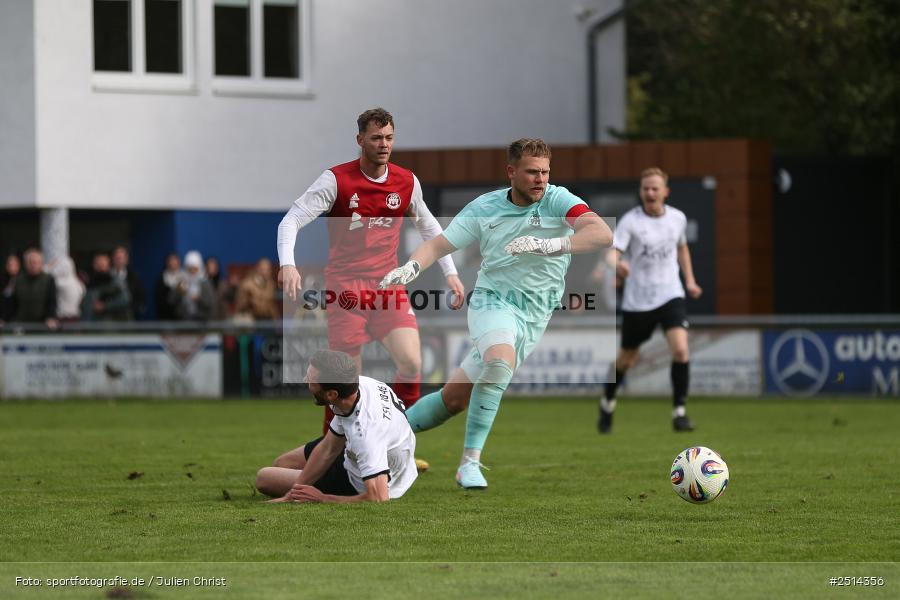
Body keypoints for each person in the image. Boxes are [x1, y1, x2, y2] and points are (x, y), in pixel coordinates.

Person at [379, 138, 612, 489]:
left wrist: (550, 244)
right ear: (511, 172)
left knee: (453, 399)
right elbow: (438, 245)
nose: (540, 179)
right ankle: (469, 463)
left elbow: (602, 234)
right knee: (500, 361)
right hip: (493, 301)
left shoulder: (558, 200)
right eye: (532, 172)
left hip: (536, 314)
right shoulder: (484, 208)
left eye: (545, 172)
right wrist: (411, 268)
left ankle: (379, 439)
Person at [276, 107, 465, 438]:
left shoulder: (406, 181)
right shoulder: (336, 180)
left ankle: (398, 440)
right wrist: (287, 264)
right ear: (360, 139)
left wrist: (450, 271)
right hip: (345, 289)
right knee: (344, 382)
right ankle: (334, 451)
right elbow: (290, 220)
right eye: (376, 138)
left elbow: (429, 227)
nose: (384, 144)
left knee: (412, 362)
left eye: (389, 138)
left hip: (388, 285)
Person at [598, 167, 702, 434]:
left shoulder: (677, 218)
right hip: (638, 302)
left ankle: (679, 413)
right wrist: (617, 265)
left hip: (671, 295)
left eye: (655, 188)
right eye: (646, 188)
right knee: (626, 360)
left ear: (665, 191)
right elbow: (612, 254)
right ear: (641, 191)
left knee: (680, 350)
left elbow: (682, 248)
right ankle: (608, 401)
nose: (650, 193)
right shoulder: (631, 221)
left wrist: (690, 281)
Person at [256, 349, 418, 503]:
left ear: (331, 394)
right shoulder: (357, 386)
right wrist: (295, 491)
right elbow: (329, 448)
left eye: (311, 380)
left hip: (356, 480)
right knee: (282, 464)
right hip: (357, 451)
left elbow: (379, 497)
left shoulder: (365, 433)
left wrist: (322, 498)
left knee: (264, 478)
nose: (305, 381)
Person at [12, 248, 58, 329]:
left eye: (36, 262)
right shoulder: (18, 280)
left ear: (41, 263)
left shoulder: (49, 280)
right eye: (31, 262)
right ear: (25, 264)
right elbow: (12, 301)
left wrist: (51, 317)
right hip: (22, 324)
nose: (33, 265)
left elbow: (52, 301)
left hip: (42, 324)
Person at [83, 252, 131, 321]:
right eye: (97, 265)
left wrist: (105, 306)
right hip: (91, 323)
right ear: (94, 265)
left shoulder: (115, 281)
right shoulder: (90, 282)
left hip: (109, 323)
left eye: (102, 265)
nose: (100, 268)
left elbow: (125, 299)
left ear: (108, 266)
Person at [171, 250, 215, 321]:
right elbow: (171, 300)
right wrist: (178, 291)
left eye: (194, 268)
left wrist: (199, 298)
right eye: (189, 268)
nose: (192, 271)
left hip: (201, 321)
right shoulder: (181, 280)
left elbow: (211, 303)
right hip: (183, 320)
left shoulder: (205, 282)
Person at [111, 246, 146, 319]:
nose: (119, 260)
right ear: (113, 259)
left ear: (126, 259)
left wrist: (134, 307)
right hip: (110, 314)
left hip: (128, 314)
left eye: (121, 258)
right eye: (117, 258)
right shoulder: (107, 275)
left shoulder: (133, 276)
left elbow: (140, 295)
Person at [48, 256, 85, 322]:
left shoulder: (60, 282)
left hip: (62, 317)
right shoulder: (79, 283)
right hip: (76, 316)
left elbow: (47, 275)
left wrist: (48, 267)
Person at [155, 252, 184, 320]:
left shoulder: (184, 277)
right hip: (166, 318)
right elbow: (161, 301)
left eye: (175, 261)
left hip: (183, 318)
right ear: (167, 263)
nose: (173, 263)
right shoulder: (161, 280)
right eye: (171, 261)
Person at [0, 254, 20, 325]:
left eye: (14, 264)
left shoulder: (22, 280)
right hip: (3, 317)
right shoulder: (2, 280)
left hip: (18, 317)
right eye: (9, 264)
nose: (12, 267)